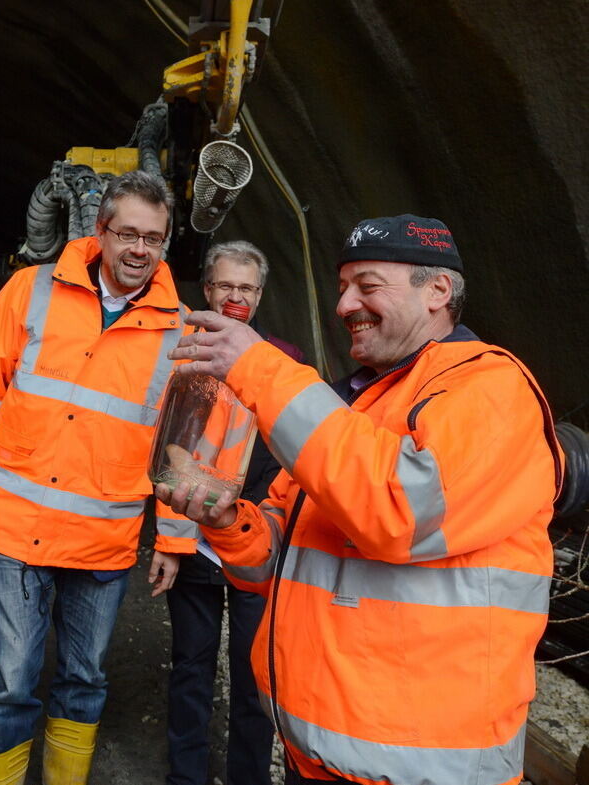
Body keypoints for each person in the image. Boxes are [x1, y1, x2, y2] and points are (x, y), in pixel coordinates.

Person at [157, 215, 563, 785]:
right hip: (315, 754)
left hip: (420, 769)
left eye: (367, 286)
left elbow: (398, 513)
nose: (344, 305)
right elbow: (282, 551)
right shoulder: (357, 403)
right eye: (343, 287)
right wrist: (230, 522)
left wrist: (262, 369)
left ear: (437, 291)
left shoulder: (491, 389)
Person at [0, 170, 196, 785]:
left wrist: (175, 535)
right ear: (101, 231)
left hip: (102, 538)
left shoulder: (181, 329)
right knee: (9, 684)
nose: (140, 249)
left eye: (154, 238)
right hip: (14, 529)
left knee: (84, 680)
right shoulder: (31, 290)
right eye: (128, 234)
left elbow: (180, 447)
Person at [166, 241, 301, 785]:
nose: (236, 296)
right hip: (191, 532)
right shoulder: (181, 353)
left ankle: (249, 777)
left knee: (254, 674)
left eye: (246, 287)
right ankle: (186, 777)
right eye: (226, 285)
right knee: (191, 666)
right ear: (207, 289)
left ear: (260, 295)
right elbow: (163, 448)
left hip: (254, 537)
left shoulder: (286, 360)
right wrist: (171, 538)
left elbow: (296, 449)